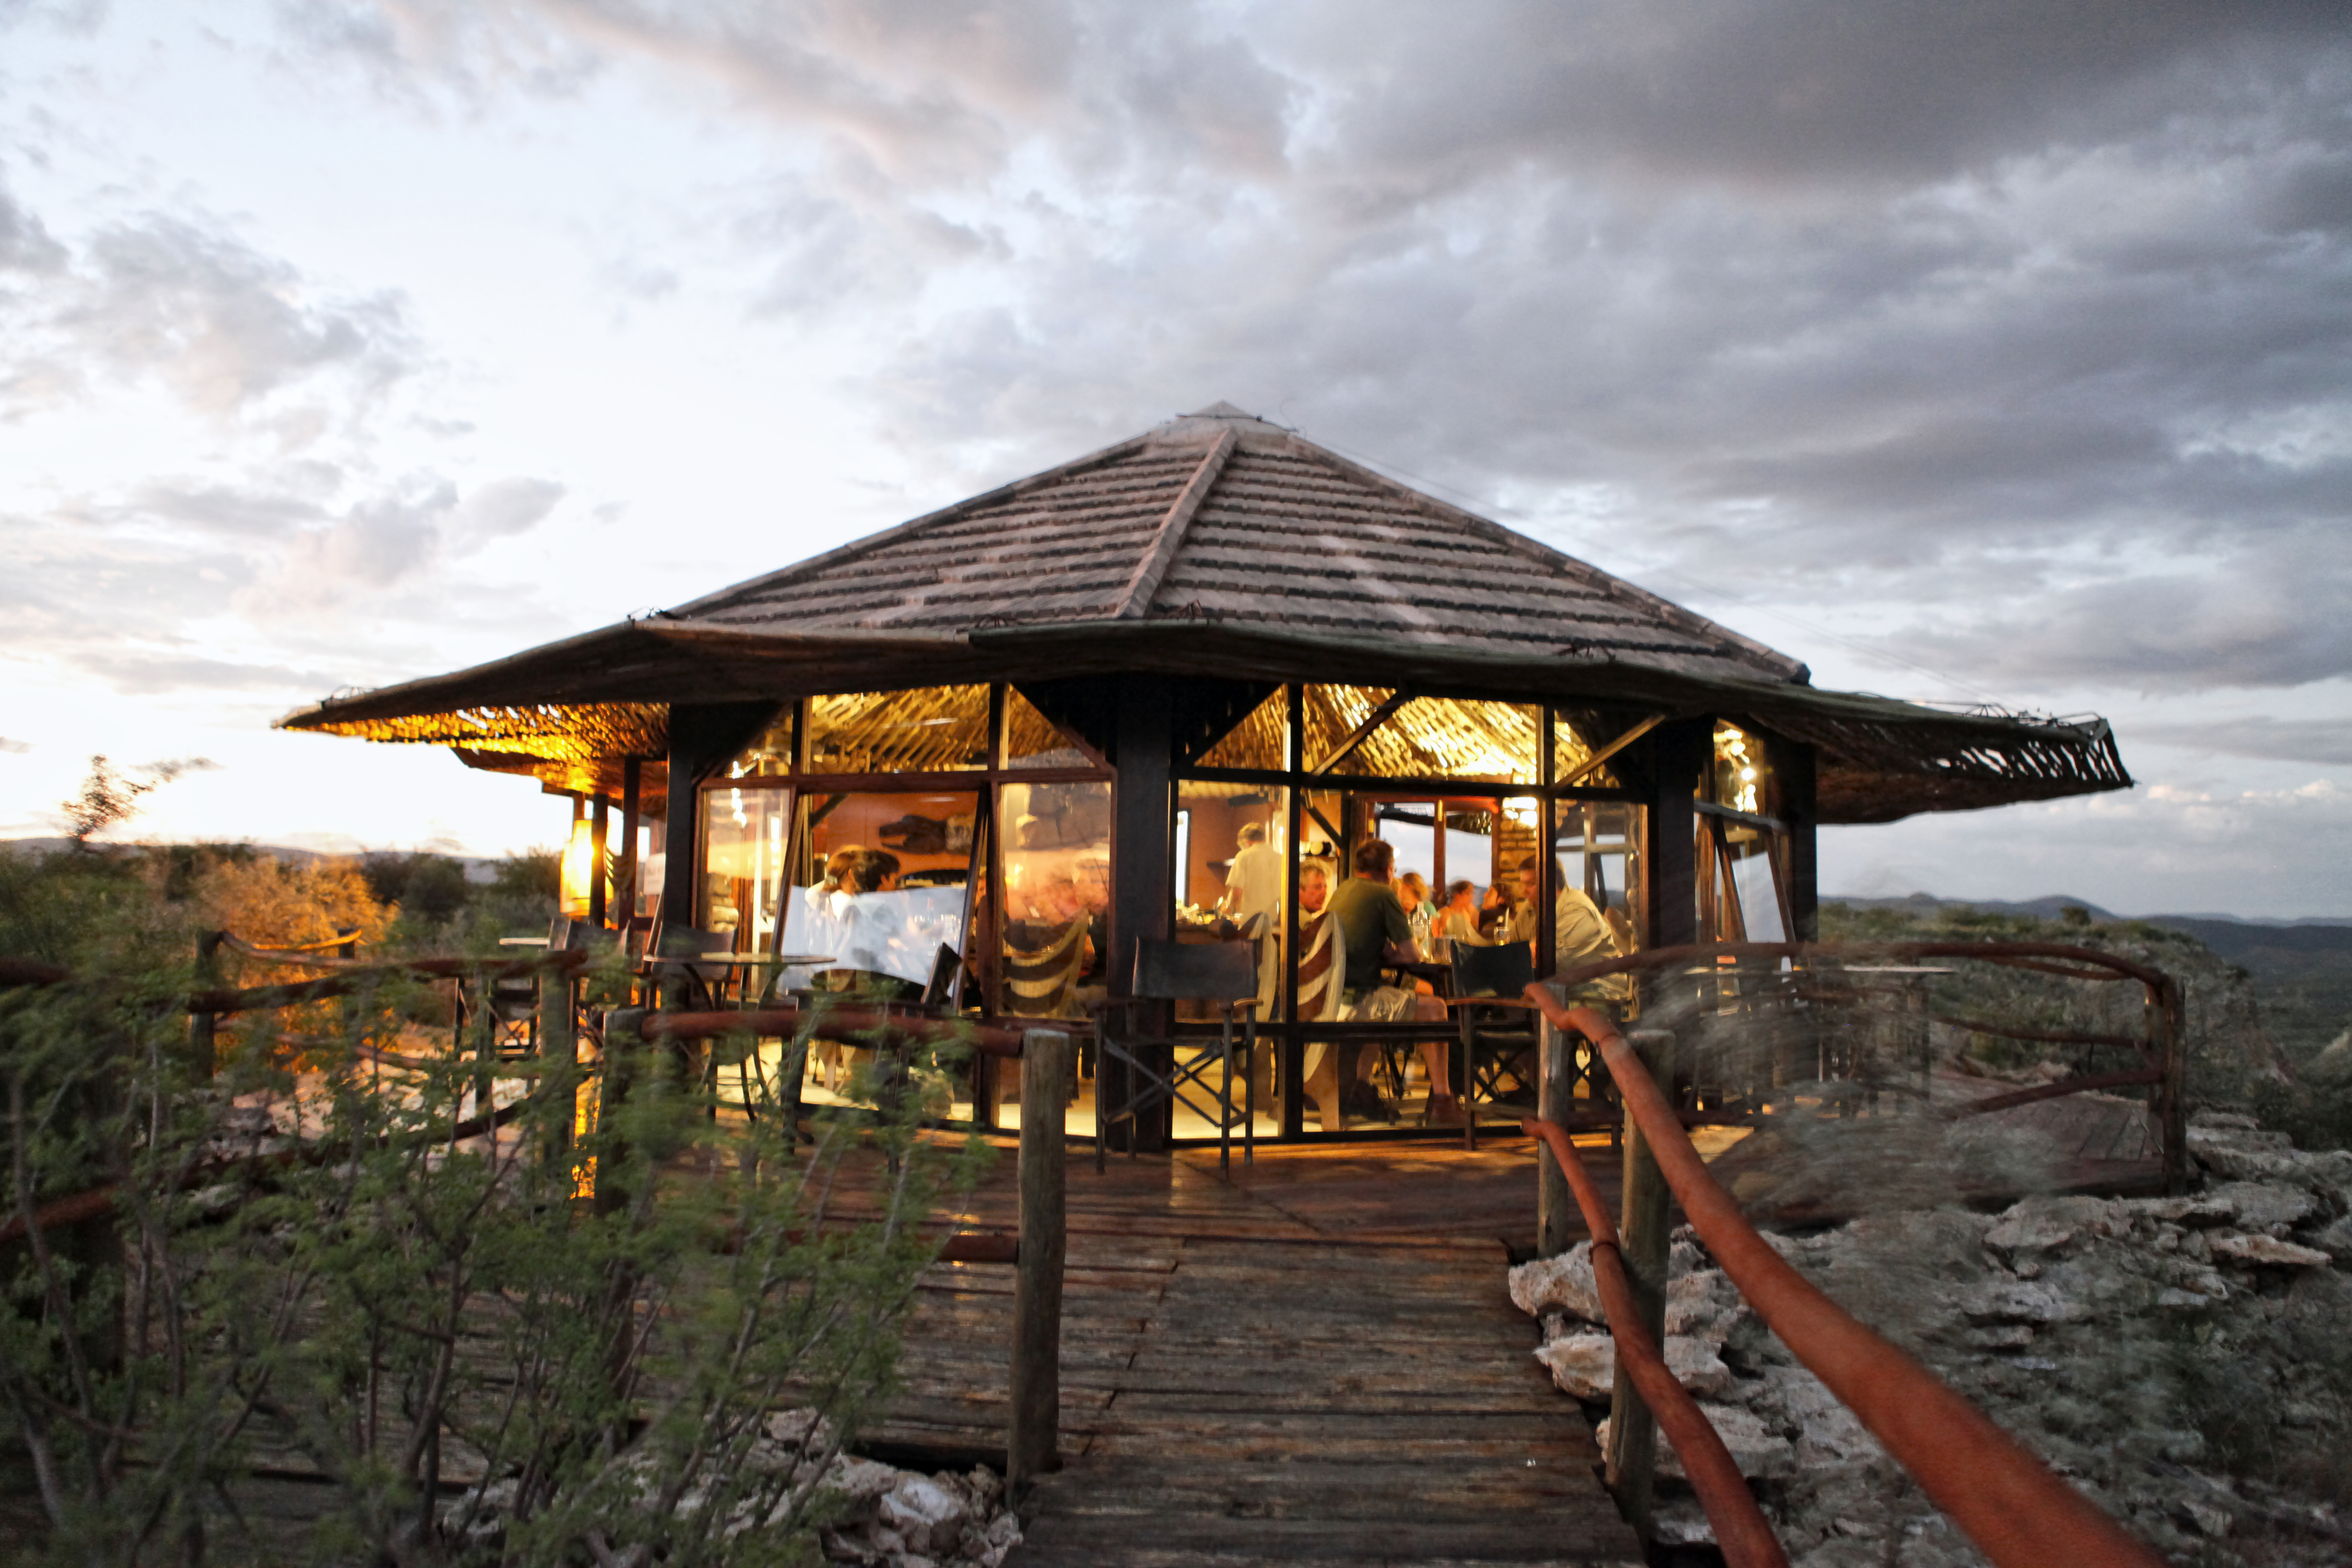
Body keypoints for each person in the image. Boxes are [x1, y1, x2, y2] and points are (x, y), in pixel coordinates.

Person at [1322, 839, 1462, 1127]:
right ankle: (1444, 1101)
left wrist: (1384, 950)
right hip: (1355, 1000)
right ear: (1388, 870)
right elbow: (1411, 954)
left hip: (1333, 997)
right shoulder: (1384, 894)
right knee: (1436, 1008)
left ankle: (1361, 1087)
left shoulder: (1342, 890)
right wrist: (1395, 952)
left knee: (1387, 1004)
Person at [1219, 821, 1284, 1015]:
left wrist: (1227, 909)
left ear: (1247, 841)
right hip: (1274, 925)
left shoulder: (1244, 856)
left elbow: (1237, 891)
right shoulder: (1280, 857)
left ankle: (1246, 1015)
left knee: (1249, 973)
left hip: (1251, 926)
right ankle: (1268, 1016)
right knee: (1270, 975)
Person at [1397, 871, 1433, 959]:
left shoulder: (1427, 908)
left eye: (1401, 886)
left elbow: (1433, 937)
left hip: (1421, 954)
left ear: (1409, 887)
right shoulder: (1404, 908)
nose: (1399, 891)